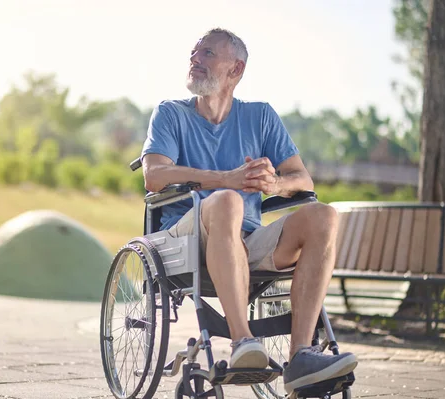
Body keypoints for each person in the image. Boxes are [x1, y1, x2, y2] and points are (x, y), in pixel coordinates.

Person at [140, 28, 358, 393]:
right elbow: (154, 175)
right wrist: (227, 178)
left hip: (247, 238)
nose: (195, 59)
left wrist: (274, 184)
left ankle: (301, 356)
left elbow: (301, 178)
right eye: (194, 52)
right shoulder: (170, 113)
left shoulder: (260, 116)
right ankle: (244, 342)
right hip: (186, 234)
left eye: (207, 53)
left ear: (235, 69)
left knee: (324, 214)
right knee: (228, 200)